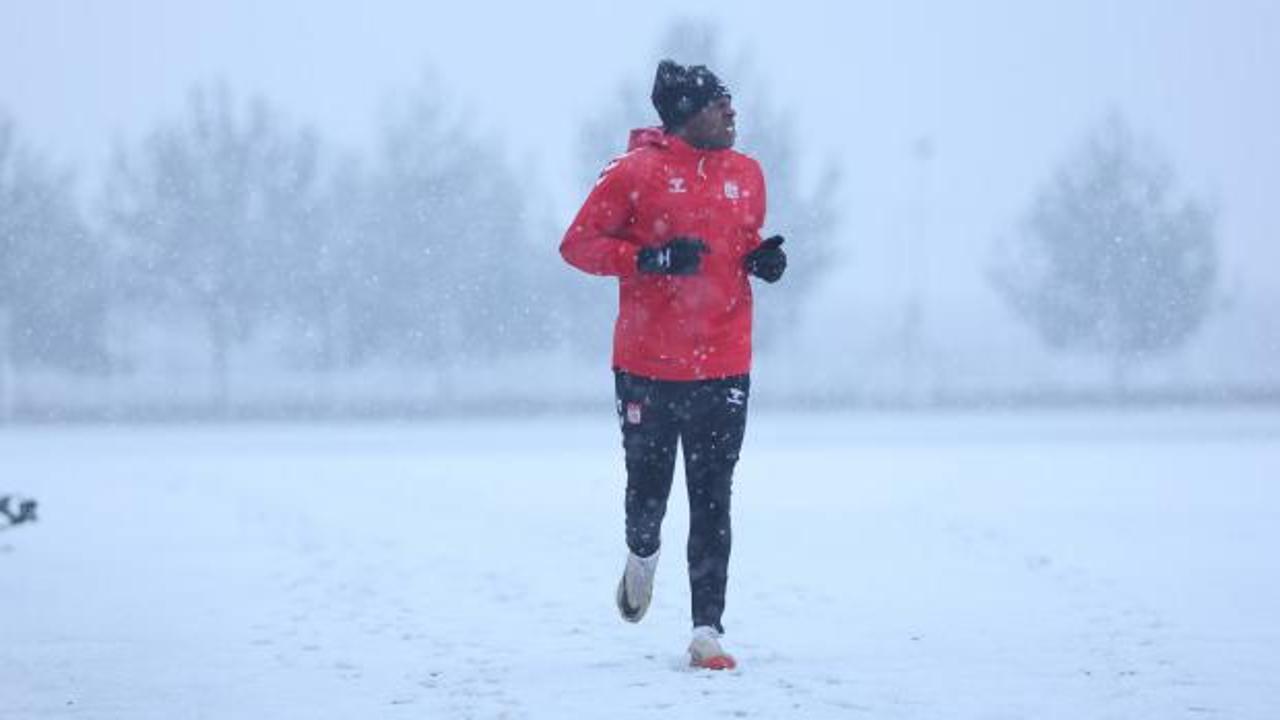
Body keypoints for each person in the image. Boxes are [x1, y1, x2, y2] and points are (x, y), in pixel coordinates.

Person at [560, 59, 787, 670]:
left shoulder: (749, 173)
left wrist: (760, 261)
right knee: (649, 494)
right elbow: (577, 245)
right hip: (648, 365)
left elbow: (738, 244)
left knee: (714, 496)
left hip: (724, 362)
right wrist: (652, 259)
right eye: (721, 104)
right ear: (690, 115)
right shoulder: (634, 173)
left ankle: (706, 631)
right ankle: (641, 554)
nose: (733, 112)